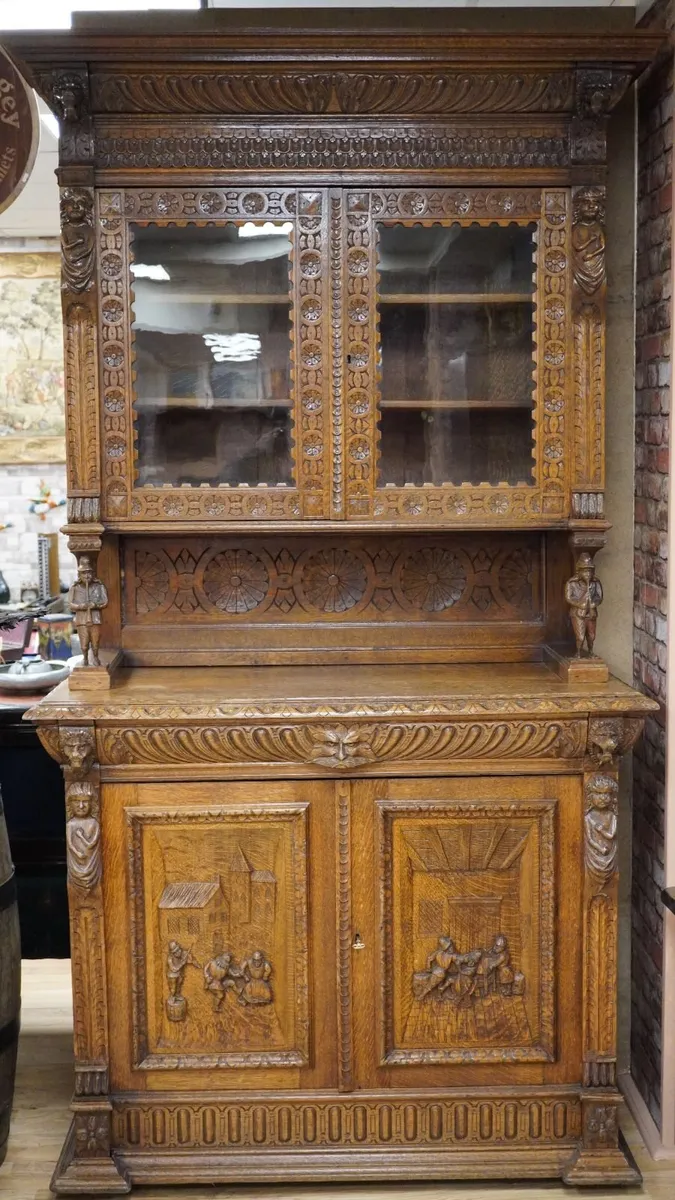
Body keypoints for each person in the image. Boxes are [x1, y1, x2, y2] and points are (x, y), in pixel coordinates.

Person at [68, 555, 108, 666]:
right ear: (79, 575)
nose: (87, 576)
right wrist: (81, 606)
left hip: (95, 619)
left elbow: (105, 602)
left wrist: (94, 605)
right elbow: (70, 605)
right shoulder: (74, 588)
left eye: (89, 573)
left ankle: (95, 657)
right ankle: (85, 658)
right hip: (81, 620)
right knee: (84, 643)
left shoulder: (99, 586)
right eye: (84, 573)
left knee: (95, 642)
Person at [564, 551, 603, 657]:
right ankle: (578, 652)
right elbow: (568, 597)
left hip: (591, 612)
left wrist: (594, 603)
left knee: (592, 636)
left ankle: (590, 652)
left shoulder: (596, 583)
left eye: (590, 571)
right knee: (580, 636)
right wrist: (578, 603)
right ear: (579, 572)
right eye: (585, 571)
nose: (588, 574)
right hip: (578, 613)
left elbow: (599, 597)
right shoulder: (571, 583)